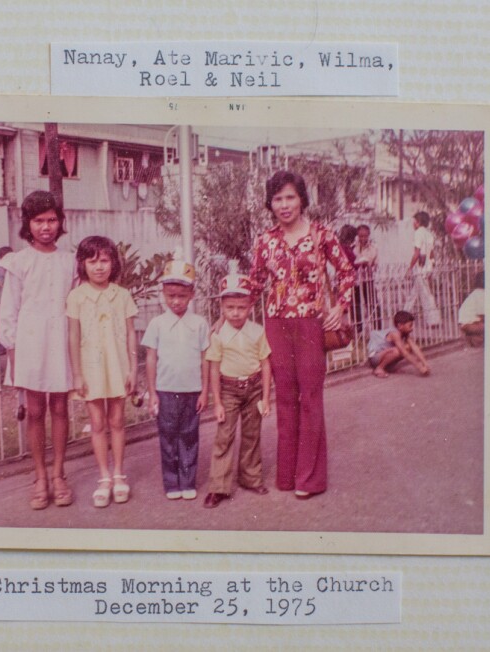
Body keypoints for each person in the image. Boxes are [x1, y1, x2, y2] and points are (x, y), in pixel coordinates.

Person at [249, 170, 355, 500]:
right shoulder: (265, 242)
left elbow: (348, 271)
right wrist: (226, 322)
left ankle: (309, 479)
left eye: (290, 197)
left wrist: (341, 306)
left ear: (302, 200)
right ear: (270, 203)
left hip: (311, 324)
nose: (284, 204)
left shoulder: (322, 235)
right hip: (277, 325)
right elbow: (254, 285)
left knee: (310, 399)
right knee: (284, 399)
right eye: (278, 198)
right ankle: (287, 474)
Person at [0, 191, 75, 510]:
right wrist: (13, 356)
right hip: (29, 344)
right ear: (28, 224)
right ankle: (40, 476)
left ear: (60, 222)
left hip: (60, 340)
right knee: (34, 411)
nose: (46, 227)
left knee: (59, 408)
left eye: (52, 220)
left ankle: (59, 474)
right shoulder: (19, 262)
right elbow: (9, 311)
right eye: (39, 221)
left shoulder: (70, 260)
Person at [67, 235, 138, 508]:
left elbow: (131, 333)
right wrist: (77, 373)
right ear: (83, 264)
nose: (99, 267)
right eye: (92, 261)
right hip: (91, 367)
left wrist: (133, 369)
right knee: (97, 424)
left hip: (117, 365)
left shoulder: (122, 295)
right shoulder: (76, 297)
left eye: (105, 260)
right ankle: (104, 478)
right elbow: (73, 337)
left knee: (117, 421)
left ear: (113, 263)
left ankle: (120, 474)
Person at [202, 266, 272, 509]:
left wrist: (265, 397)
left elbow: (265, 364)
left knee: (252, 434)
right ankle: (218, 487)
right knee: (224, 437)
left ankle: (250, 478)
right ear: (221, 308)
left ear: (250, 307)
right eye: (229, 308)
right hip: (229, 390)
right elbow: (213, 367)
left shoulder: (257, 331)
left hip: (253, 388)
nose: (235, 313)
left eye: (241, 308)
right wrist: (218, 402)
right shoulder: (218, 335)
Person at [141, 253, 209, 501]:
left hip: (192, 391)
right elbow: (150, 358)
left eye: (182, 296)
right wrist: (152, 394)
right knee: (168, 438)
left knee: (190, 436)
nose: (177, 301)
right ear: (163, 294)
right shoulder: (157, 324)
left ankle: (188, 481)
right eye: (171, 296)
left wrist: (204, 391)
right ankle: (172, 484)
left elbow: (205, 359)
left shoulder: (199, 324)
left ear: (191, 294)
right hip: (165, 391)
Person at [404, 211, 442, 327]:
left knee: (426, 295)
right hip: (427, 267)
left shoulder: (418, 233)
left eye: (414, 222)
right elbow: (432, 253)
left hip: (421, 268)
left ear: (418, 222)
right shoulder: (429, 234)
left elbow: (417, 253)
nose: (413, 224)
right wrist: (432, 266)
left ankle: (433, 320)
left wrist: (409, 268)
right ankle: (403, 317)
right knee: (413, 294)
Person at [367, 310, 431, 378]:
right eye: (410, 326)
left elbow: (414, 347)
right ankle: (379, 368)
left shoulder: (404, 333)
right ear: (400, 326)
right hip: (375, 357)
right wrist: (419, 367)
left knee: (408, 347)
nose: (412, 328)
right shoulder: (395, 334)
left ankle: (388, 368)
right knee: (398, 351)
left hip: (384, 354)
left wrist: (425, 363)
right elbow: (403, 352)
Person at [353, 224, 381, 330]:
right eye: (360, 236)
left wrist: (369, 266)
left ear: (369, 235)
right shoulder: (353, 247)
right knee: (356, 305)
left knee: (372, 303)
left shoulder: (373, 247)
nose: (363, 238)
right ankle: (358, 328)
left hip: (368, 279)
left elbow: (376, 263)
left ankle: (377, 327)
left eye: (365, 236)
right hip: (356, 279)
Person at [458, 271, 485, 347]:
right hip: (469, 324)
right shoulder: (480, 293)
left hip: (468, 323)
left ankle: (474, 340)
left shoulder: (477, 292)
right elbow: (482, 314)